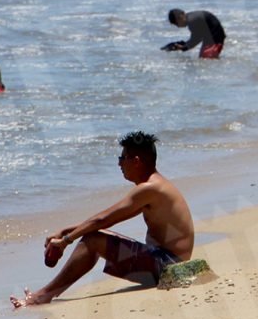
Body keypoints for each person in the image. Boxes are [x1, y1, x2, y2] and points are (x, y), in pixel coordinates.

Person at [10, 131, 194, 308]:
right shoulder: (155, 186)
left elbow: (103, 219)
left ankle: (43, 295)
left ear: (136, 161)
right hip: (165, 261)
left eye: (122, 158)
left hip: (168, 266)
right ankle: (46, 293)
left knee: (93, 240)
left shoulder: (149, 189)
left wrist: (66, 240)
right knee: (95, 235)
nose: (119, 164)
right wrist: (66, 231)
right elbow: (108, 220)